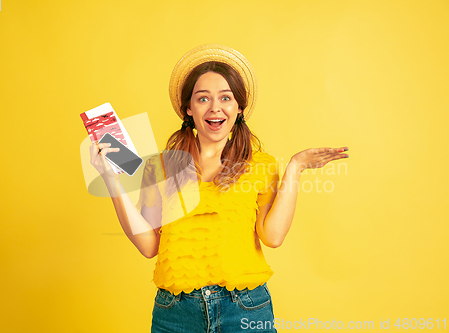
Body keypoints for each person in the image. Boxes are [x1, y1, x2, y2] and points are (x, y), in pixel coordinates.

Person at [89, 44, 349, 333]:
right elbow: (149, 246)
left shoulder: (260, 165)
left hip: (245, 309)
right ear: (189, 108)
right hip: (175, 314)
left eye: (226, 98)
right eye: (203, 99)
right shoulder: (160, 167)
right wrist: (111, 180)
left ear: (239, 108)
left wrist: (296, 167)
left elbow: (273, 237)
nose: (215, 108)